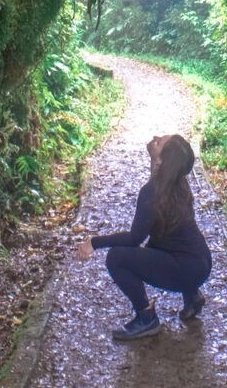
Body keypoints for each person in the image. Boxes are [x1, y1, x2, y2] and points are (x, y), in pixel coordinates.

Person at [75, 133, 213, 341]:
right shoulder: (179, 183)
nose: (155, 138)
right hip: (201, 263)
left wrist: (94, 243)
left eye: (159, 142)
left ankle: (146, 317)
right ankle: (192, 295)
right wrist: (155, 158)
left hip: (185, 269)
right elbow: (157, 188)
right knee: (157, 242)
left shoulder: (153, 192)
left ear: (164, 160)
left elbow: (133, 239)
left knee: (117, 257)